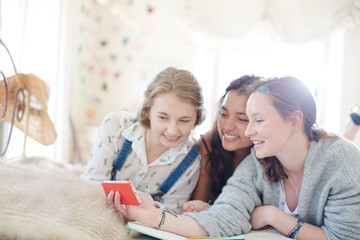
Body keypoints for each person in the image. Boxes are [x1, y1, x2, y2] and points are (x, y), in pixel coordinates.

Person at [107, 76, 360, 239]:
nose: (248, 131)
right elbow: (223, 218)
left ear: (293, 120)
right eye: (245, 120)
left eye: (257, 121)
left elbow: (345, 237)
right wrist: (152, 217)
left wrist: (274, 216)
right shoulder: (257, 164)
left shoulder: (342, 163)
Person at [81, 67, 205, 214]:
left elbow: (171, 215)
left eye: (184, 120)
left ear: (197, 118)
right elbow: (91, 188)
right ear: (147, 111)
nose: (172, 130)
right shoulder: (115, 126)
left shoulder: (190, 160)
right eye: (163, 117)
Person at [182, 75, 263, 213]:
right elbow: (194, 208)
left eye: (242, 119)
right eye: (224, 114)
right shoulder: (208, 145)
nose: (228, 126)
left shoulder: (269, 154)